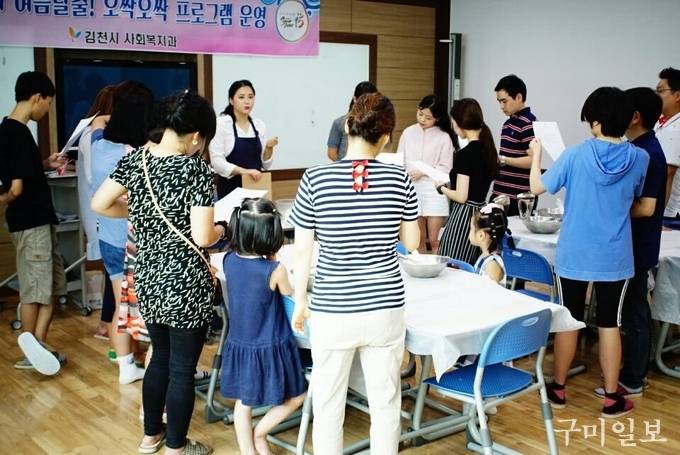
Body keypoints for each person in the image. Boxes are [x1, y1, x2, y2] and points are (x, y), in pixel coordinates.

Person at [92, 90, 224, 455]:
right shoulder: (195, 170)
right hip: (185, 281)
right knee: (182, 368)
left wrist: (138, 213)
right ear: (195, 136)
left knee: (160, 358)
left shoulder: (136, 161)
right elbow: (203, 236)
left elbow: (100, 203)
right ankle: (177, 447)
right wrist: (223, 229)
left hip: (148, 276)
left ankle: (151, 437)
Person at [289, 92, 420, 454]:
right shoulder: (399, 178)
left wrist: (300, 302)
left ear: (348, 126)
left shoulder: (315, 178)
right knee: (385, 404)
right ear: (386, 138)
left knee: (328, 406)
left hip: (333, 308)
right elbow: (412, 242)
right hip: (385, 307)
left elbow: (303, 250)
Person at [528, 87, 649, 418]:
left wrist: (536, 155)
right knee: (610, 324)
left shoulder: (574, 156)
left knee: (569, 320)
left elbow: (537, 187)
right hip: (615, 255)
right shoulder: (640, 158)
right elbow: (634, 197)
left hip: (575, 253)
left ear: (595, 121)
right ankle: (611, 399)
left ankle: (558, 390)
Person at [594, 87, 665, 398]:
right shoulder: (636, 147)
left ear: (634, 116)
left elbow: (647, 207)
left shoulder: (648, 153)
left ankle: (634, 378)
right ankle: (630, 372)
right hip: (628, 243)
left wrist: (609, 207)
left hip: (638, 245)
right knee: (630, 309)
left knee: (635, 311)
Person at [220, 198, 306, 455]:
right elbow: (289, 294)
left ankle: (248, 450)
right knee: (298, 396)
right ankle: (260, 432)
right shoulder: (275, 270)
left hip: (240, 344)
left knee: (244, 402)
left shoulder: (228, 260)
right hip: (271, 347)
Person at [0, 71, 67, 375]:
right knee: (35, 289)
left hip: (38, 220)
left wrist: (45, 165)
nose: (47, 109)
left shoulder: (14, 130)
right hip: (31, 222)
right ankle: (31, 351)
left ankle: (38, 346)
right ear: (37, 97)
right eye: (48, 103)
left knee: (49, 285)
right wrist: (5, 198)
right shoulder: (15, 133)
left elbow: (21, 173)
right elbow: (15, 189)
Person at [90, 80, 153, 384]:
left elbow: (97, 122)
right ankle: (141, 367)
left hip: (106, 237)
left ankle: (127, 363)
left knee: (120, 304)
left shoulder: (98, 144)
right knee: (137, 308)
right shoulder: (135, 155)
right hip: (129, 240)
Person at [75, 84, 117, 342]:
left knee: (112, 270)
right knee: (116, 270)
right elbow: (97, 175)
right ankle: (107, 325)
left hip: (103, 210)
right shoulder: (95, 136)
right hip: (104, 211)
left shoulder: (95, 134)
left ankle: (105, 322)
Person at [437, 98, 498, 264]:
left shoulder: (465, 155)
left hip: (463, 217)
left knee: (451, 263)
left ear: (459, 123)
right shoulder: (488, 150)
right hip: (480, 213)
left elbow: (461, 196)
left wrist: (442, 188)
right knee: (472, 265)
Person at [398, 95, 455, 252]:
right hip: (412, 189)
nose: (422, 119)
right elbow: (400, 160)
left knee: (435, 240)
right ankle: (422, 265)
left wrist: (423, 172)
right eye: (420, 114)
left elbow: (446, 167)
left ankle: (438, 265)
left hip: (434, 189)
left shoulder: (444, 137)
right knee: (419, 239)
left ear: (437, 118)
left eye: (428, 118)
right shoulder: (408, 133)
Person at [209, 80, 278, 198]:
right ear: (231, 100)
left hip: (255, 188)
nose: (247, 101)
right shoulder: (221, 124)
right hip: (230, 190)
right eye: (241, 97)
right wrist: (245, 171)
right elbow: (217, 162)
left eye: (250, 97)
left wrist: (268, 148)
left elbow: (265, 165)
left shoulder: (259, 125)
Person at [491, 75, 537, 216]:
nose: (501, 106)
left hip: (519, 198)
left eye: (504, 101)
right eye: (499, 102)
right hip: (500, 194)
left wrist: (504, 160)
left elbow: (533, 161)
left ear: (519, 97)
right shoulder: (508, 124)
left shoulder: (529, 123)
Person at [326, 81, 379, 162]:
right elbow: (331, 153)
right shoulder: (340, 122)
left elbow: (386, 150)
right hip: (346, 167)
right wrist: (345, 165)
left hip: (373, 167)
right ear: (355, 99)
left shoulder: (380, 123)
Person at [655, 67, 680, 223]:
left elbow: (667, 173)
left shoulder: (676, 129)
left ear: (677, 95)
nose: (656, 96)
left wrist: (656, 217)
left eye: (660, 91)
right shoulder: (660, 121)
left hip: (669, 214)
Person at [469, 203, 507, 286]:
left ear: (481, 235)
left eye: (471, 228)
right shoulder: (485, 256)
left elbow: (489, 292)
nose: (469, 232)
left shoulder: (491, 265)